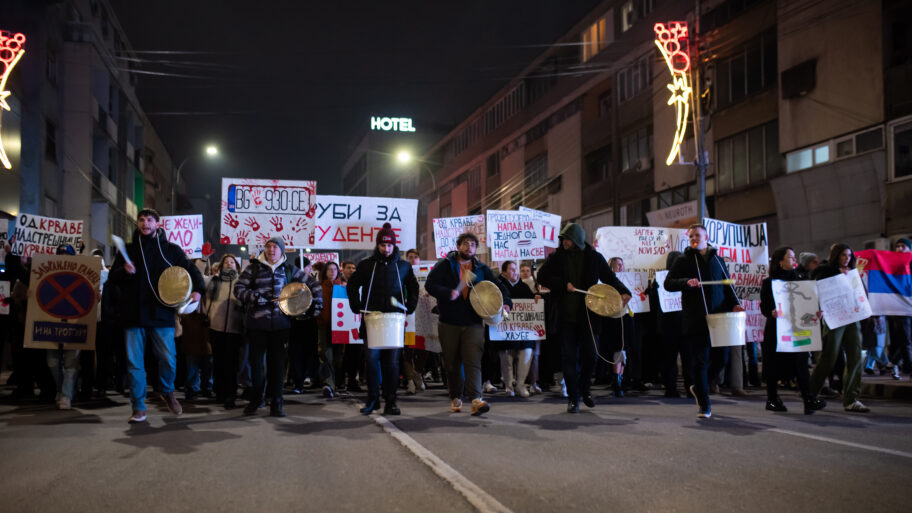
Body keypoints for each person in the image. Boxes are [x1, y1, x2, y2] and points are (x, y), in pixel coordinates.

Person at [108, 208, 205, 423]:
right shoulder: (128, 250)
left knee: (168, 359)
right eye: (142, 220)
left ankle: (167, 391)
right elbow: (112, 280)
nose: (145, 223)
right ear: (138, 224)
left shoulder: (171, 250)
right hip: (133, 315)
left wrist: (198, 290)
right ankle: (138, 407)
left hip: (161, 314)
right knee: (134, 364)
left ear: (157, 224)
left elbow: (191, 270)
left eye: (150, 220)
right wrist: (124, 271)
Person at [538, 223, 630, 413]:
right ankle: (573, 398)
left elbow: (609, 277)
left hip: (589, 316)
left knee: (591, 356)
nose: (564, 242)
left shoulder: (594, 257)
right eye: (563, 239)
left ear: (577, 240)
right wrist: (563, 285)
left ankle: (585, 389)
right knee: (569, 359)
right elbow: (542, 277)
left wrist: (624, 290)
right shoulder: (556, 257)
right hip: (565, 318)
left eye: (568, 239)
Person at [425, 232, 511, 415]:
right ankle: (456, 396)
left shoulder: (481, 269)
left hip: (473, 323)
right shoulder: (445, 265)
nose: (469, 247)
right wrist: (448, 293)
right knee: (452, 363)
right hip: (449, 321)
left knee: (473, 361)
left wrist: (506, 302)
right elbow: (430, 285)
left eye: (473, 244)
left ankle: (476, 399)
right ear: (458, 246)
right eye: (465, 243)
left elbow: (499, 286)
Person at [664, 223, 743, 419]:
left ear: (706, 237)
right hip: (696, 319)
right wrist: (685, 282)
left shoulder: (717, 259)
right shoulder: (683, 260)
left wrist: (735, 304)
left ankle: (699, 387)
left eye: (697, 235)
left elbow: (727, 285)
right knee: (700, 360)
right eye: (691, 236)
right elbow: (668, 284)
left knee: (722, 359)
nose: (694, 239)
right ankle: (704, 404)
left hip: (719, 318)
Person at [235, 237, 315, 417]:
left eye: (275, 247)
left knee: (277, 366)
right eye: (268, 246)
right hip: (257, 325)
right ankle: (257, 398)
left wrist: (312, 304)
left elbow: (311, 284)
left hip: (281, 325)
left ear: (282, 250)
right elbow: (238, 289)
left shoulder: (289, 269)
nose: (271, 250)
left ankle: (277, 402)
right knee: (256, 365)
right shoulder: (253, 268)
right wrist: (255, 297)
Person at [346, 223, 419, 415]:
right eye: (382, 245)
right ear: (377, 245)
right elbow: (352, 285)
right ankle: (372, 399)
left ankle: (390, 401)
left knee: (392, 363)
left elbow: (413, 287)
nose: (386, 249)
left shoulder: (403, 266)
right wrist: (356, 305)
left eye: (389, 245)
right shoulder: (367, 265)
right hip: (372, 319)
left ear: (394, 246)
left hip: (394, 320)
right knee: (371, 360)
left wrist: (411, 305)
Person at [759, 247, 826, 414]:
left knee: (801, 363)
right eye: (790, 257)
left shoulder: (802, 280)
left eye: (794, 257)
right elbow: (764, 307)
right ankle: (772, 399)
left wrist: (816, 313)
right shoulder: (769, 283)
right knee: (774, 366)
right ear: (780, 262)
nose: (794, 260)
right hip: (777, 331)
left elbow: (809, 304)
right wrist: (771, 312)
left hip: (797, 329)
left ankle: (808, 399)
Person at [808, 243, 869, 413]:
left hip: (853, 318)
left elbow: (862, 293)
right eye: (843, 255)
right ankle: (810, 394)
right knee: (829, 357)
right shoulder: (825, 270)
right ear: (836, 255)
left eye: (849, 255)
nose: (847, 259)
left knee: (855, 356)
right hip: (834, 318)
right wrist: (838, 275)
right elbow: (815, 287)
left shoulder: (853, 273)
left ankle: (851, 399)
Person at [204, 253, 244, 409]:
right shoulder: (214, 281)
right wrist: (203, 261)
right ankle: (219, 392)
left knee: (232, 364)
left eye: (232, 262)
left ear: (236, 266)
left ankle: (230, 395)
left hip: (234, 328)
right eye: (226, 262)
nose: (229, 264)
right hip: (216, 327)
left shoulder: (240, 282)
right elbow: (198, 280)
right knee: (218, 361)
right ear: (221, 266)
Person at [496, 261, 537, 397]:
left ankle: (520, 384)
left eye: (515, 269)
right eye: (512, 269)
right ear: (504, 272)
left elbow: (532, 304)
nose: (515, 272)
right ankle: (509, 386)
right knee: (506, 356)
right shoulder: (498, 286)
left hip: (523, 330)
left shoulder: (524, 286)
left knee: (527, 352)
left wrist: (536, 299)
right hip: (505, 330)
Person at [402, 248, 429, 394]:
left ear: (419, 259)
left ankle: (417, 372)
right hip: (408, 315)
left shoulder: (426, 274)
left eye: (415, 257)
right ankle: (410, 380)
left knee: (423, 348)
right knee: (408, 349)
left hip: (423, 315)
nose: (413, 259)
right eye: (410, 257)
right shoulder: (402, 273)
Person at [315, 261, 344, 397]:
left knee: (338, 357)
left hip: (340, 327)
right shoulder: (319, 288)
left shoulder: (343, 287)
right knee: (326, 355)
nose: (332, 272)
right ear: (325, 272)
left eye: (335, 269)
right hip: (324, 326)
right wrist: (320, 318)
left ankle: (335, 384)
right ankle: (328, 384)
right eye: (329, 269)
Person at [887, 238, 912, 380]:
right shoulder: (890, 265)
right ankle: (909, 368)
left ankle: (894, 362)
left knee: (907, 340)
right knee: (905, 340)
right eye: (897, 246)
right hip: (899, 308)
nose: (900, 248)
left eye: (903, 246)